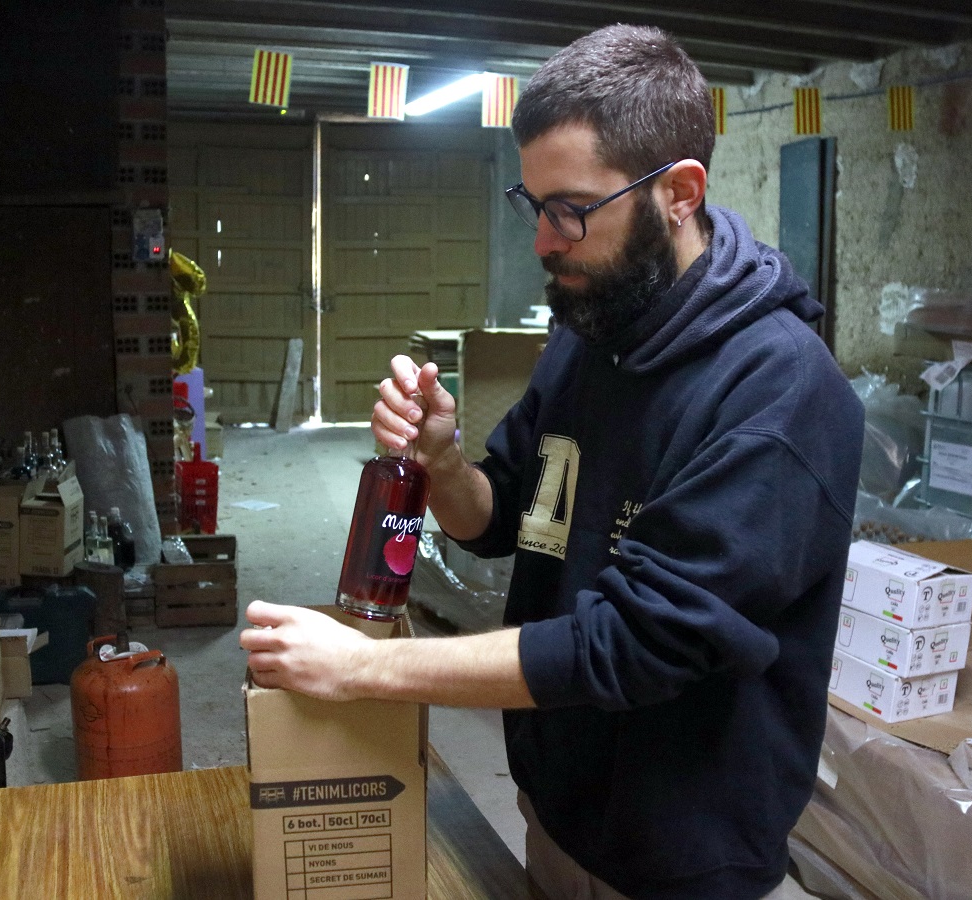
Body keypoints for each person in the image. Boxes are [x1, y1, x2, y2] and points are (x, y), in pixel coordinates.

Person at [241, 23, 864, 900]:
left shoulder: (780, 394)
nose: (544, 239)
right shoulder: (594, 325)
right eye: (533, 205)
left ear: (680, 192)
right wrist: (442, 461)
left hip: (679, 855)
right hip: (558, 802)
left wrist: (363, 669)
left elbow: (633, 647)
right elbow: (501, 518)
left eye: (571, 209)